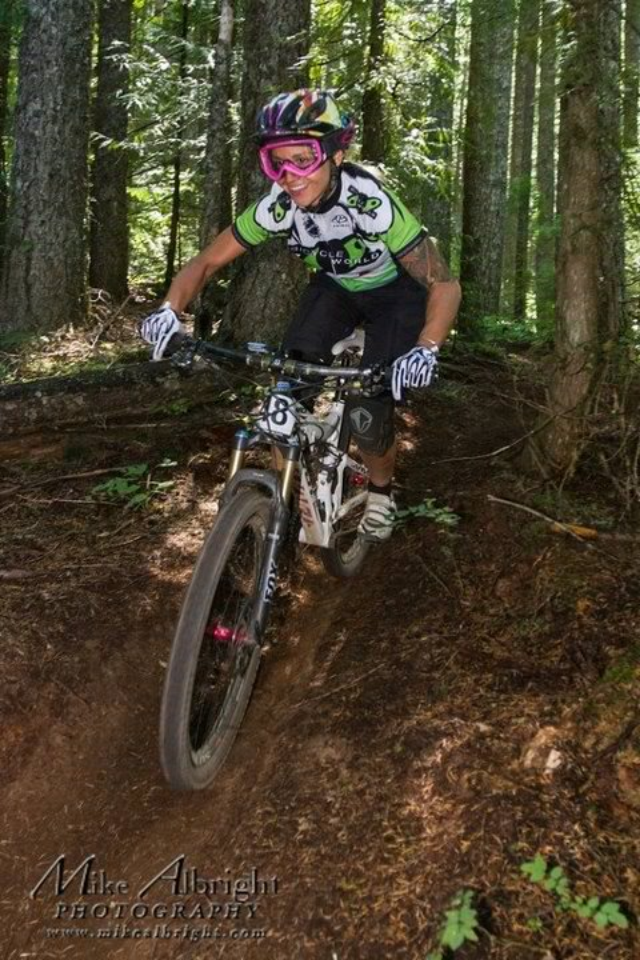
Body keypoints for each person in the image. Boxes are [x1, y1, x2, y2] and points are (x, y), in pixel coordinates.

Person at [140, 89, 461, 541]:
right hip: (335, 289)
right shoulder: (278, 206)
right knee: (284, 399)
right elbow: (207, 261)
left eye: (302, 159)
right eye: (277, 163)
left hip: (396, 295)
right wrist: (169, 310)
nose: (289, 176)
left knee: (370, 411)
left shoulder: (368, 202)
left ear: (336, 154)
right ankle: (284, 510)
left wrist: (427, 348)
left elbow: (444, 283)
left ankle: (382, 492)